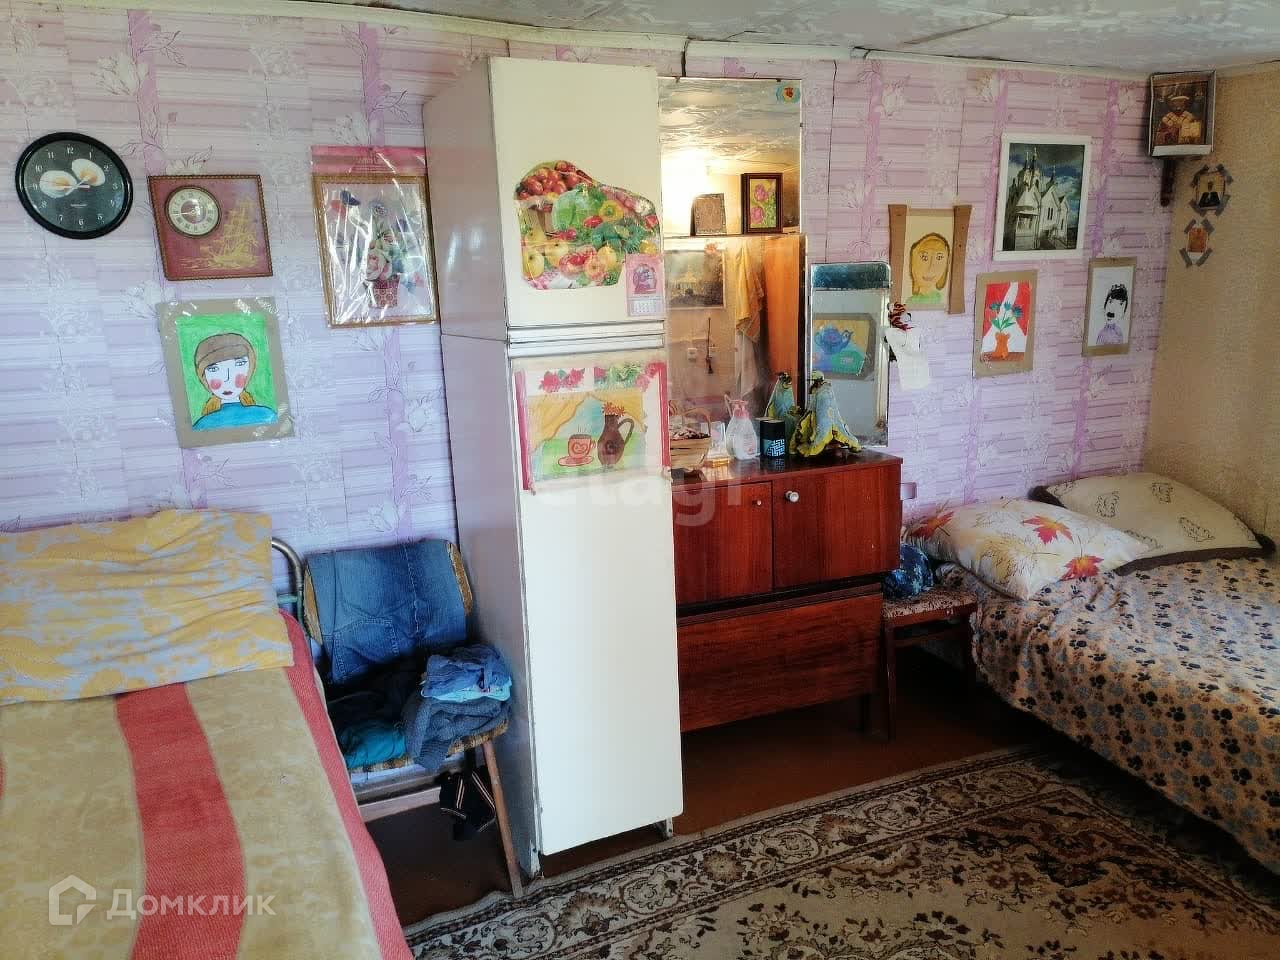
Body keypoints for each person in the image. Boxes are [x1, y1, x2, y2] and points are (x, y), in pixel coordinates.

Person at [191, 332, 277, 430]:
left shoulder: (268, 417)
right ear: (204, 378)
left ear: (249, 370)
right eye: (214, 369)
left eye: (239, 364)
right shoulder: (202, 425)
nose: (227, 379)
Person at [906, 232, 950, 307]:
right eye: (924, 257)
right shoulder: (909, 302)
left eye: (939, 258)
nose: (931, 267)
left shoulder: (940, 299)